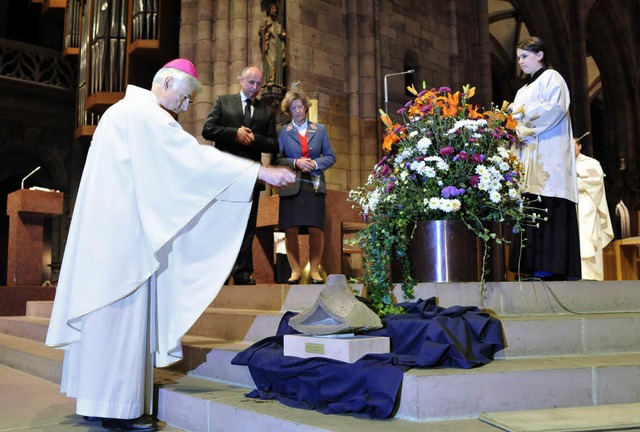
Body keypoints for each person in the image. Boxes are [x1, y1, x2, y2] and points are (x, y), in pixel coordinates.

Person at [44, 59, 295, 431]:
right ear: (166, 82)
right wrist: (259, 171)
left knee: (103, 317)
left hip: (106, 236)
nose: (185, 106)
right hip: (126, 238)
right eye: (185, 96)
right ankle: (117, 410)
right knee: (121, 313)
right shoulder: (146, 116)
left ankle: (98, 400)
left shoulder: (120, 112)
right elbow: (191, 159)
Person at [507, 36, 581, 280]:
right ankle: (529, 266)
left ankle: (552, 267)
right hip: (528, 159)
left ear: (539, 55)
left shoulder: (553, 78)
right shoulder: (522, 90)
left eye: (525, 56)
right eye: (518, 57)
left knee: (548, 203)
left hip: (549, 156)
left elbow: (555, 110)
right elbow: (515, 120)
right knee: (529, 204)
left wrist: (522, 122)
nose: (520, 62)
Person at [202, 66, 279, 285]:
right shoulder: (223, 102)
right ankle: (219, 273)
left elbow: (273, 144)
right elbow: (208, 130)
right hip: (224, 174)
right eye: (251, 82)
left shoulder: (266, 112)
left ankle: (243, 273)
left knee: (247, 226)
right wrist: (234, 133)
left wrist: (255, 139)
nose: (255, 88)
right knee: (221, 224)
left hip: (250, 176)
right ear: (241, 80)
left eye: (258, 84)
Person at [274, 89, 336, 284]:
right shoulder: (283, 132)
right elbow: (277, 158)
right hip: (291, 182)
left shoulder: (320, 130)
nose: (298, 111)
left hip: (314, 183)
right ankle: (295, 270)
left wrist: (316, 164)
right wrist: (295, 163)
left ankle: (315, 270)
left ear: (306, 108)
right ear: (289, 111)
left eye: (300, 106)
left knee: (315, 227)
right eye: (294, 108)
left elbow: (330, 156)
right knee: (290, 227)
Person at [575, 135, 614, 280]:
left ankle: (592, 275)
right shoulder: (563, 164)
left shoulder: (590, 163)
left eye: (573, 144)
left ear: (579, 146)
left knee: (588, 237)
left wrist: (576, 181)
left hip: (588, 204)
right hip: (573, 205)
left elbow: (596, 181)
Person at [259, 2, 286, 88]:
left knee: (278, 61)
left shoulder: (278, 23)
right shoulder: (266, 20)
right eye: (273, 9)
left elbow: (281, 33)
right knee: (272, 60)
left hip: (278, 43)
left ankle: (278, 82)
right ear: (269, 10)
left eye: (275, 9)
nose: (274, 10)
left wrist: (283, 34)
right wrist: (266, 27)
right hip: (270, 44)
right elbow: (261, 31)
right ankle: (269, 80)